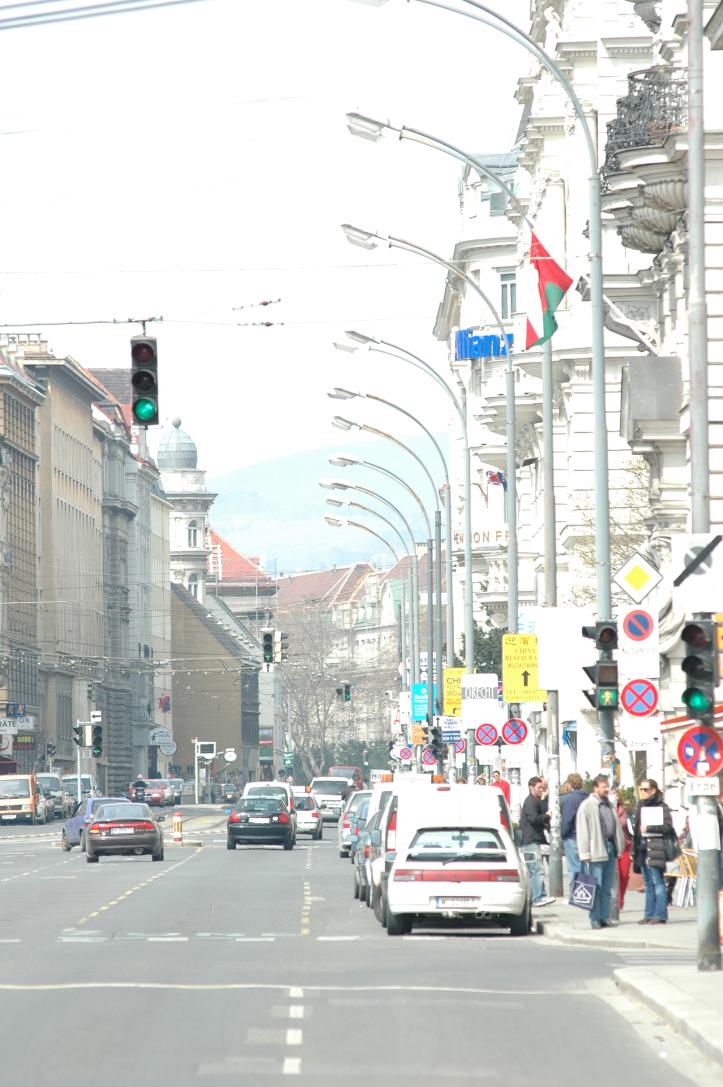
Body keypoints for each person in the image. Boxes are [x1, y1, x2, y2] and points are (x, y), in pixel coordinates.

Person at [576, 774, 625, 929]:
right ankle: (595, 918)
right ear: (595, 787)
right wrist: (584, 853)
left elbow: (616, 827)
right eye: (604, 787)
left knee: (607, 887)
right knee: (595, 887)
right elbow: (583, 831)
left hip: (610, 848)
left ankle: (605, 917)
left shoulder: (609, 805)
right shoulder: (587, 806)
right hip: (596, 850)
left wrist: (619, 847)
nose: (606, 789)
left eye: (607, 786)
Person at [632, 778, 677, 925]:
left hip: (656, 848)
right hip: (642, 848)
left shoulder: (661, 806)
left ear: (653, 790)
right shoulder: (640, 805)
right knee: (648, 883)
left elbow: (668, 827)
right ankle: (649, 914)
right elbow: (636, 829)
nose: (643, 792)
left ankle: (660, 914)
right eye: (641, 789)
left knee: (658, 882)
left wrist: (649, 828)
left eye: (646, 789)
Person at [519, 776, 555, 907]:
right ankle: (537, 897)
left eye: (543, 788)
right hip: (530, 841)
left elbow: (542, 810)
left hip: (534, 840)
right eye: (539, 788)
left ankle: (541, 895)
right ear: (531, 787)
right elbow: (533, 819)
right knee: (536, 870)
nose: (541, 790)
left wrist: (544, 799)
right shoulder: (530, 802)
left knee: (536, 870)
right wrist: (547, 816)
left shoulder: (536, 800)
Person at [560, 773, 587, 895]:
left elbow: (567, 819)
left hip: (572, 836)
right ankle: (585, 895)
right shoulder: (588, 797)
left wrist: (563, 834)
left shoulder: (570, 799)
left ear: (570, 784)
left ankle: (576, 896)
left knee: (574, 868)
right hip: (586, 837)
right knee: (584, 868)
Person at [615, 793, 633, 910]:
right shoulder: (604, 809)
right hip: (612, 847)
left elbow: (628, 826)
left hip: (625, 846)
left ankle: (620, 899)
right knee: (615, 875)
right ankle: (617, 902)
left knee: (624, 874)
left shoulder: (623, 810)